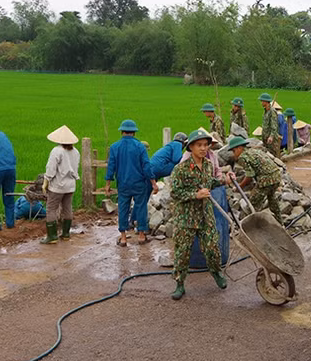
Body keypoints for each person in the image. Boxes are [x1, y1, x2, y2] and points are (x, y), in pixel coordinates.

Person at [170, 130, 228, 300]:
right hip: (186, 217)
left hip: (205, 214)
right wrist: (195, 195)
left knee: (212, 246)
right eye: (199, 145)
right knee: (183, 252)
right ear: (191, 147)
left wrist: (225, 180)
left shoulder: (209, 165)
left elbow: (210, 182)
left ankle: (217, 273)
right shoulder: (181, 169)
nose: (203, 149)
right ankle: (180, 284)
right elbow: (174, 192)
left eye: (206, 145)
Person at [104, 119, 157, 247]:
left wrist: (107, 185)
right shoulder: (140, 146)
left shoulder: (115, 147)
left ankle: (123, 238)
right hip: (139, 183)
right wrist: (153, 182)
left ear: (122, 131)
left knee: (123, 208)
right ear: (134, 132)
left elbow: (111, 167)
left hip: (123, 184)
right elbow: (146, 166)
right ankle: (141, 235)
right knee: (141, 207)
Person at [227, 136, 283, 223]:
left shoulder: (243, 157)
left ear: (239, 148)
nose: (234, 154)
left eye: (234, 151)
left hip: (266, 180)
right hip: (276, 176)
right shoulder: (254, 151)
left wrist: (240, 187)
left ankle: (247, 224)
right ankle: (280, 222)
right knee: (272, 198)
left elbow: (250, 175)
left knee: (252, 202)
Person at [40, 125, 80, 244]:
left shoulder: (57, 151)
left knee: (51, 208)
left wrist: (46, 182)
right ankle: (66, 233)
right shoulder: (75, 152)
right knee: (67, 208)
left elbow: (51, 168)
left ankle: (52, 236)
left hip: (58, 185)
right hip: (70, 185)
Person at [258, 93, 281, 157]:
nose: (261, 103)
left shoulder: (272, 111)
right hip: (265, 136)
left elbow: (274, 125)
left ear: (266, 101)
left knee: (272, 155)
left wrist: (271, 136)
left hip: (271, 139)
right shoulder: (266, 111)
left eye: (262, 101)